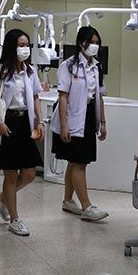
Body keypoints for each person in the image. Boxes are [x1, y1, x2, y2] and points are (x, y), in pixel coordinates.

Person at [0, 29, 44, 236]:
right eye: (21, 45)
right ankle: (15, 219)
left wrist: (40, 121)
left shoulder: (30, 71)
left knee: (29, 173)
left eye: (27, 45)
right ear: (12, 47)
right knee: (10, 174)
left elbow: (35, 97)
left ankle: (3, 197)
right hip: (7, 122)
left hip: (25, 123)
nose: (25, 49)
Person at [52, 26, 108, 222]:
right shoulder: (68, 66)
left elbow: (99, 96)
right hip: (72, 117)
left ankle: (68, 201)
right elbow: (63, 97)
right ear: (80, 43)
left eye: (97, 42)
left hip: (89, 116)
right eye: (91, 42)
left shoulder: (97, 67)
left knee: (75, 161)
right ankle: (86, 207)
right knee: (79, 163)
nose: (94, 46)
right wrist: (64, 125)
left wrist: (102, 122)